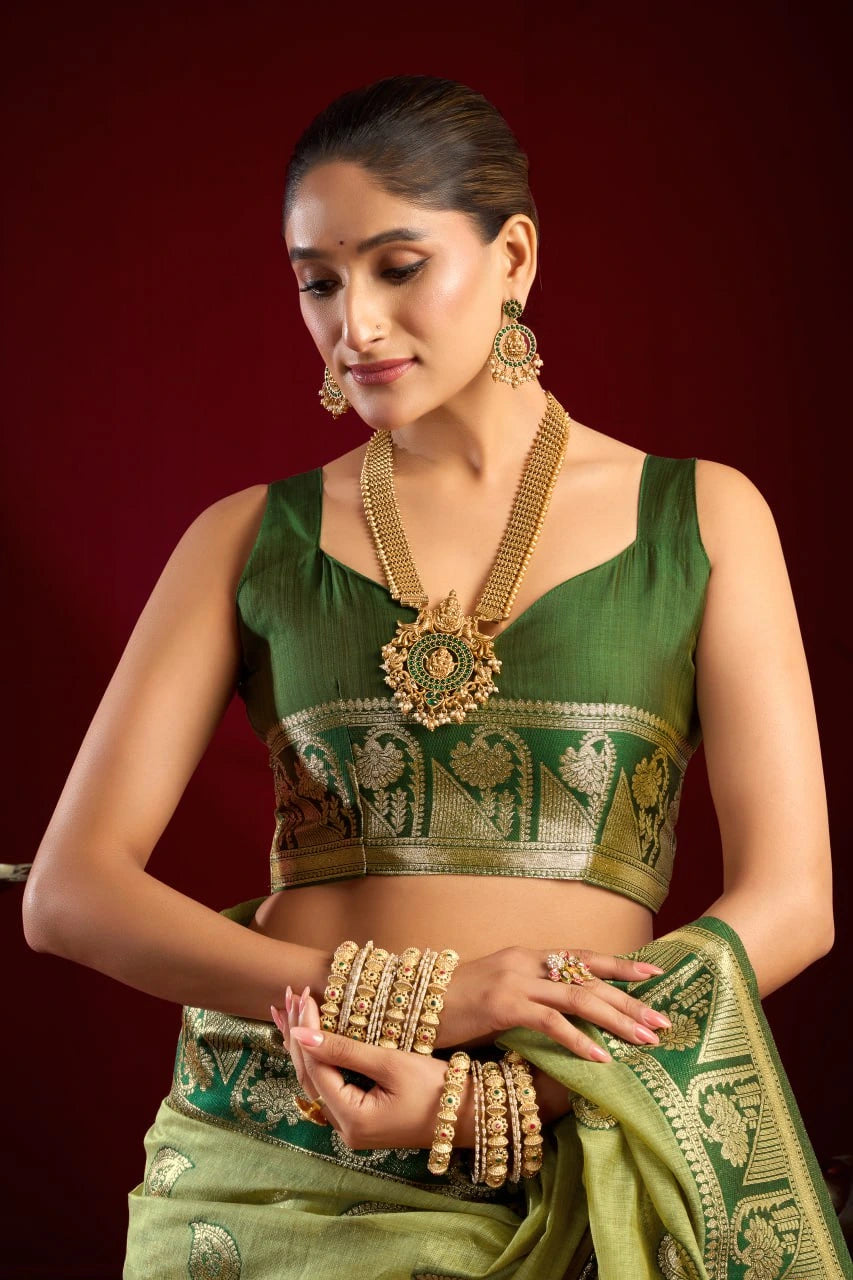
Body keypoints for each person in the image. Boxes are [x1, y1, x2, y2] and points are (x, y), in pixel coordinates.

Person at [22, 73, 851, 1280]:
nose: (351, 322)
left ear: (512, 256)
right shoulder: (248, 539)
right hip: (279, 1148)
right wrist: (412, 1000)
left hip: (579, 1133)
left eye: (396, 267)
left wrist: (512, 1098)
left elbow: (791, 902)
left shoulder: (703, 517)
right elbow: (71, 893)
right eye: (317, 280)